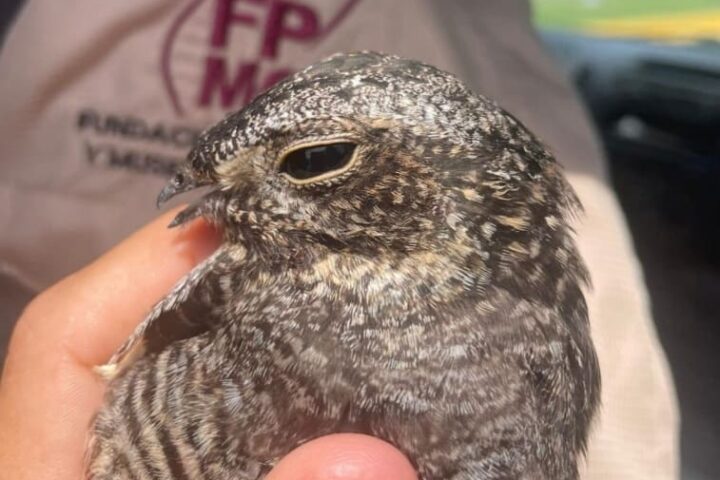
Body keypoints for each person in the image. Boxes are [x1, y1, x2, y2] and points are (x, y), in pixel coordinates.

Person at [0, 1, 678, 478]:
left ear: (445, 190)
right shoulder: (237, 285)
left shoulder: (537, 348)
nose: (217, 206)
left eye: (312, 161)